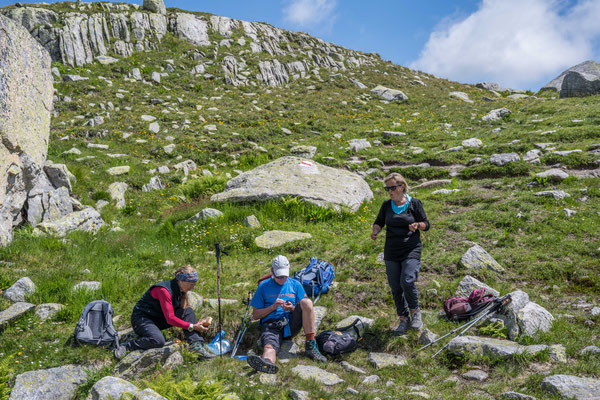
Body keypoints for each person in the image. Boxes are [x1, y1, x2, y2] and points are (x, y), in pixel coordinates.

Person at [371, 172, 430, 335]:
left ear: (402, 187)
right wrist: (375, 231)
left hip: (411, 248)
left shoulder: (414, 204)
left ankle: (415, 312)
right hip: (391, 250)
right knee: (395, 286)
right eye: (387, 188)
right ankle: (403, 319)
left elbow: (427, 223)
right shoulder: (386, 205)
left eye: (392, 187)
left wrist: (418, 225)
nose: (389, 191)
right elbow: (379, 222)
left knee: (407, 280)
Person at [114, 265, 214, 359]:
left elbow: (179, 312)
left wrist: (195, 324)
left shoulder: (179, 289)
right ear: (181, 280)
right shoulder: (163, 290)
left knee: (188, 311)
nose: (193, 287)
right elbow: (170, 319)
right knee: (158, 341)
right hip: (141, 319)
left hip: (158, 318)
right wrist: (192, 326)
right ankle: (127, 345)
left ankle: (196, 347)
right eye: (191, 284)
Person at [246, 255, 326, 374]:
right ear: (272, 271)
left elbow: (304, 307)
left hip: (291, 323)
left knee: (307, 302)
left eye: (284, 276)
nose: (282, 279)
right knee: (269, 347)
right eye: (279, 276)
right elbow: (255, 315)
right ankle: (267, 363)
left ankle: (310, 345)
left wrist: (292, 308)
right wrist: (273, 307)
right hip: (271, 325)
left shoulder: (295, 284)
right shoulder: (263, 286)